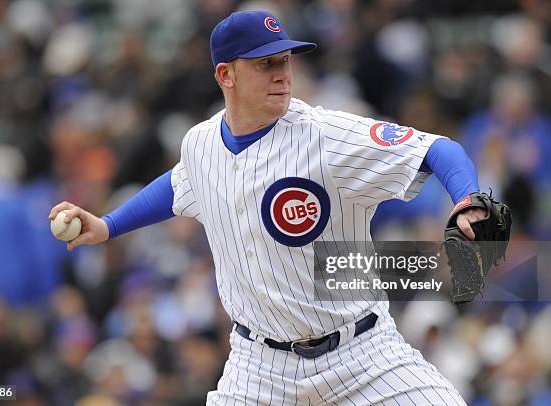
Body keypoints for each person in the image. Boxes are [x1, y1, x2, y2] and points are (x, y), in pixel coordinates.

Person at [49, 10, 486, 404]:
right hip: (259, 370)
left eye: (284, 61)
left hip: (363, 356)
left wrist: (467, 199)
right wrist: (107, 224)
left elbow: (439, 150)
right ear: (226, 75)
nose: (282, 74)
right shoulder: (200, 143)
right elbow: (180, 184)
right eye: (265, 64)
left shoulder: (327, 136)